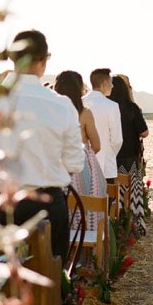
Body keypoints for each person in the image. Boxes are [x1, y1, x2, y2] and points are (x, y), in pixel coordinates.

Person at [0, 30, 85, 258]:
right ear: (43, 61)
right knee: (49, 284)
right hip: (47, 207)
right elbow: (75, 163)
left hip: (0, 206)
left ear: (13, 58)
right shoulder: (62, 105)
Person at [54, 70, 107, 232]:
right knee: (86, 207)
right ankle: (87, 249)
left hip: (55, 164)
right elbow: (97, 145)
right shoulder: (84, 113)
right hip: (80, 166)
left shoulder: (53, 111)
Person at [109, 75, 149, 234]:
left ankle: (115, 224)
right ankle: (134, 225)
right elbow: (144, 132)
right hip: (130, 156)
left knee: (115, 191)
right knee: (133, 192)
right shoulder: (132, 108)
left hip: (112, 157)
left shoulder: (109, 107)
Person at [83, 69, 123, 183]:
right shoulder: (112, 106)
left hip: (83, 164)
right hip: (106, 166)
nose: (112, 86)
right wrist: (109, 154)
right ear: (105, 83)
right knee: (106, 199)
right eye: (111, 82)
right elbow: (117, 139)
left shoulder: (80, 102)